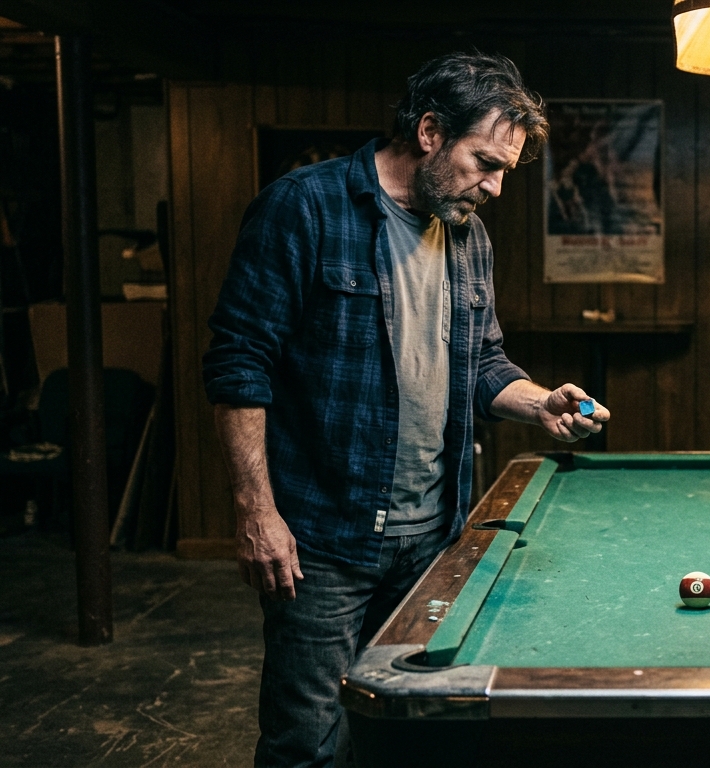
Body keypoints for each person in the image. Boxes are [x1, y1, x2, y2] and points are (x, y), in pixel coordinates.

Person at [203, 51, 609, 767]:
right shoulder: (304, 208)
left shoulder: (468, 235)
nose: (496, 186)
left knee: (410, 740)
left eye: (506, 171)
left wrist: (540, 402)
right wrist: (256, 512)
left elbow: (482, 363)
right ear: (429, 132)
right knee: (307, 745)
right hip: (323, 542)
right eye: (485, 162)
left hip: (433, 539)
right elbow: (239, 365)